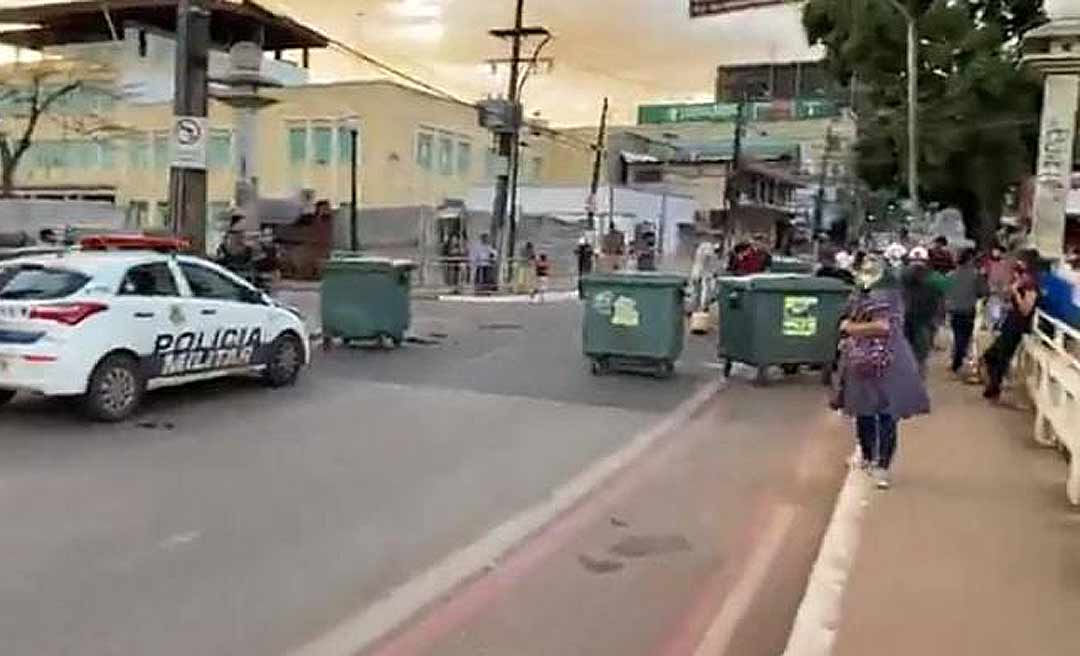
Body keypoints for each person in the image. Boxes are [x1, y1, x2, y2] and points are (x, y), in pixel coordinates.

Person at [838, 255, 931, 489]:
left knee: (880, 412)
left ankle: (879, 463)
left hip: (882, 360)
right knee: (869, 411)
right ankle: (874, 460)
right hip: (873, 359)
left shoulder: (882, 296)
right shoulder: (866, 294)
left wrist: (851, 328)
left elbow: (882, 326)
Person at [982, 252, 1041, 401]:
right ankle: (994, 385)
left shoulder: (1031, 286)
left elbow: (1025, 309)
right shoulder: (1022, 281)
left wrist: (1016, 292)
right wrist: (1012, 288)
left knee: (1000, 356)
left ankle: (994, 387)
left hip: (1018, 325)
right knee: (994, 355)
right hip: (1011, 321)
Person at [901, 247, 945, 378]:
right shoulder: (936, 278)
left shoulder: (901, 276)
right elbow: (942, 299)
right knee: (921, 352)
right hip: (926, 319)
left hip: (906, 317)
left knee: (905, 349)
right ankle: (917, 376)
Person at [945, 248, 988, 375]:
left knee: (957, 335)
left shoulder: (950, 275)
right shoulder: (976, 275)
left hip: (953, 310)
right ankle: (958, 361)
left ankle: (957, 360)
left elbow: (946, 292)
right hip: (968, 310)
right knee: (964, 337)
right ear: (970, 259)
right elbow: (983, 292)